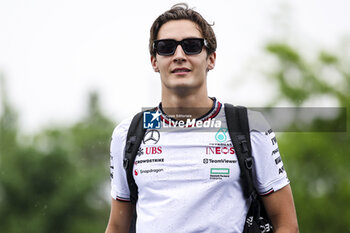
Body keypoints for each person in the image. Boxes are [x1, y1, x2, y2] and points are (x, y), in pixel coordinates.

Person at [105, 3, 299, 233]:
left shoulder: (250, 127)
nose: (179, 56)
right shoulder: (128, 134)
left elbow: (286, 225)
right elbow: (117, 227)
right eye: (166, 47)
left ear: (211, 59)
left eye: (192, 46)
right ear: (154, 61)